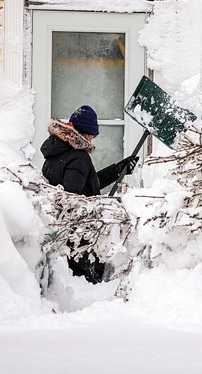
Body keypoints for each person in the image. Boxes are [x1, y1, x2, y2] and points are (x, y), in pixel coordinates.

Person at [40, 105, 138, 283]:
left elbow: (87, 184)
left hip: (60, 231)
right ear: (83, 132)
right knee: (87, 283)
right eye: (92, 133)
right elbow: (73, 200)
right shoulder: (79, 157)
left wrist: (117, 170)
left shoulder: (57, 151)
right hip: (79, 237)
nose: (93, 138)